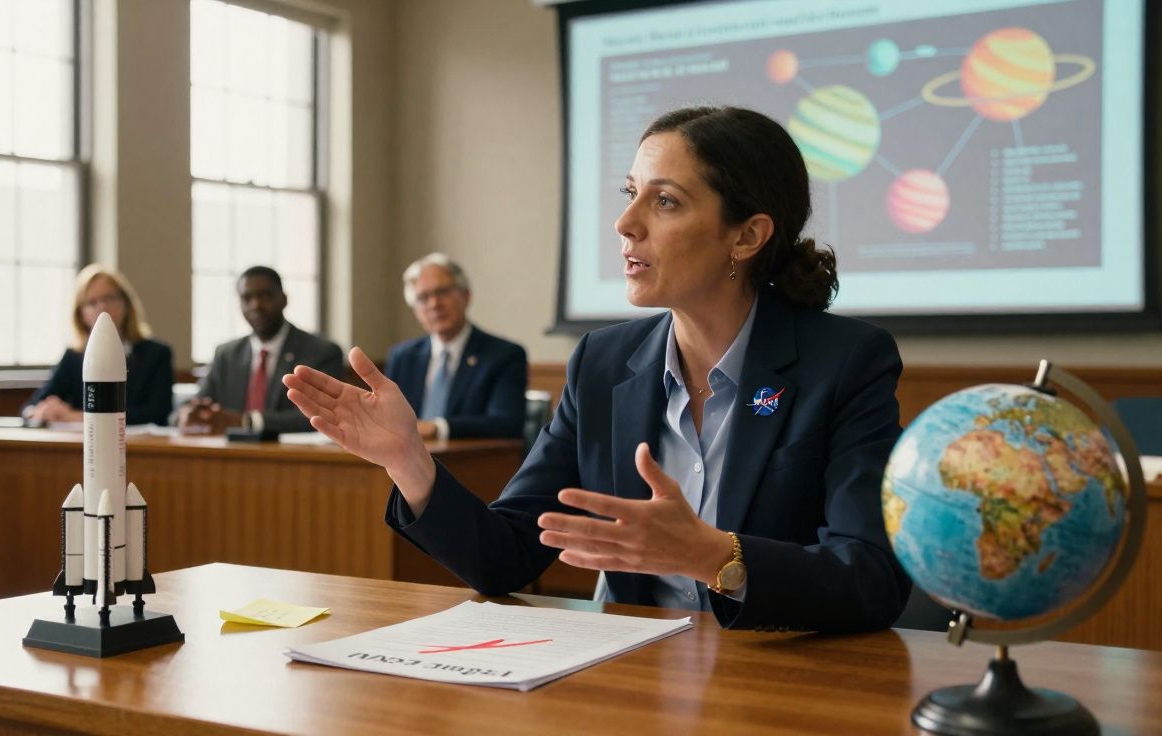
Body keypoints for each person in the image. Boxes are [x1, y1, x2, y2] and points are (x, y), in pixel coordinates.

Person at [284, 106, 910, 632]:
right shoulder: (603, 363)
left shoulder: (846, 362)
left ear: (746, 236)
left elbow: (870, 580)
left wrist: (716, 556)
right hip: (628, 685)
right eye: (630, 193)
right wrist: (410, 462)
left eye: (664, 201)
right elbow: (506, 559)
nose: (625, 223)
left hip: (775, 690)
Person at [177, 266, 343, 435]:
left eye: (265, 295)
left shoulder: (321, 352)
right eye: (247, 298)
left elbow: (322, 415)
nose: (256, 305)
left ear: (284, 299)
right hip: (230, 455)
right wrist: (187, 414)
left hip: (293, 457)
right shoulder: (226, 354)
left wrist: (247, 422)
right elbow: (195, 403)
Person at [386, 253, 527, 440]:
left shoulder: (504, 355)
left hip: (471, 464)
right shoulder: (402, 356)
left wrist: (437, 428)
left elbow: (506, 422)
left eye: (443, 292)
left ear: (466, 296)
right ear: (415, 310)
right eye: (423, 297)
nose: (434, 304)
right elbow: (389, 421)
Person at [23, 265, 174, 426]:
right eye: (92, 302)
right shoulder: (74, 355)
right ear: (80, 314)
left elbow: (158, 413)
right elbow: (31, 407)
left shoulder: (156, 354)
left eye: (109, 298)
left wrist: (77, 416)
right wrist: (41, 412)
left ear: (126, 304)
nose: (102, 307)